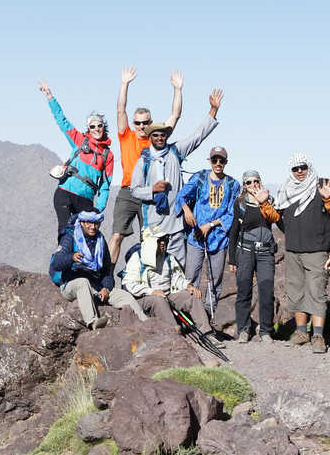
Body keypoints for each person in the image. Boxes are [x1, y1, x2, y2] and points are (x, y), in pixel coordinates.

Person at [127, 86, 221, 265]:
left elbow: (197, 137)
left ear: (166, 136)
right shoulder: (144, 161)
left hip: (176, 223)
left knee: (178, 266)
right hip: (153, 224)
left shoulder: (175, 152)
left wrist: (213, 110)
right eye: (156, 135)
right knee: (153, 266)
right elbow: (134, 190)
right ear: (150, 137)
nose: (160, 138)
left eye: (163, 134)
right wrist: (152, 190)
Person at [108, 67, 184, 268]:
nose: (141, 126)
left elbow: (174, 116)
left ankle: (149, 276)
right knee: (117, 235)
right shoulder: (126, 136)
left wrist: (178, 90)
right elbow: (120, 110)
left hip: (150, 195)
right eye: (138, 123)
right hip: (127, 191)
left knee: (150, 237)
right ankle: (104, 276)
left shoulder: (156, 139)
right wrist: (124, 84)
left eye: (145, 123)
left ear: (150, 123)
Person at [273, 154, 330, 351]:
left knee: (317, 292)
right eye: (295, 168)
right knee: (296, 292)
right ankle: (302, 332)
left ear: (309, 167)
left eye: (303, 167)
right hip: (293, 250)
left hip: (317, 250)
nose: (300, 171)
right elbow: (277, 216)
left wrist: (329, 199)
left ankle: (318, 336)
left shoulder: (322, 186)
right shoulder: (286, 189)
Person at [118, 215, 218, 345]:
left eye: (164, 239)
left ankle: (206, 333)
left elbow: (176, 278)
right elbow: (129, 284)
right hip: (144, 298)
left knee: (192, 295)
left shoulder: (168, 258)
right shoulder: (137, 258)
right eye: (160, 240)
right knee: (158, 300)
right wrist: (152, 291)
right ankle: (174, 335)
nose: (163, 243)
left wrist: (188, 286)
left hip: (167, 295)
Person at [39, 80, 115, 243]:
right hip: (65, 192)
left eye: (99, 126)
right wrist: (50, 97)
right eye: (92, 126)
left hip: (86, 201)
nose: (96, 129)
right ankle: (61, 264)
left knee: (87, 238)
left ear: (104, 127)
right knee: (66, 233)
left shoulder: (108, 155)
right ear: (88, 129)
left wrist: (98, 208)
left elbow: (105, 186)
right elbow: (62, 121)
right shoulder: (80, 140)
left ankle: (86, 267)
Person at [178, 148, 241, 332]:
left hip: (219, 238)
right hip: (196, 237)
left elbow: (232, 213)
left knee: (215, 281)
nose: (218, 163)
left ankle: (208, 319)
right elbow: (182, 195)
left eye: (221, 160)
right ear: (210, 160)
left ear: (226, 162)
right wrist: (187, 210)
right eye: (215, 159)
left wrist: (211, 225)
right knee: (191, 278)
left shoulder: (232, 184)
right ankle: (191, 320)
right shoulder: (199, 178)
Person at [49, 211, 139, 327]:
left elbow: (106, 270)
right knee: (83, 282)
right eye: (89, 223)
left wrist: (106, 287)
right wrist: (71, 257)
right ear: (81, 222)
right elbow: (56, 263)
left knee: (125, 296)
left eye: (96, 223)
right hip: (71, 283)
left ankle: (147, 324)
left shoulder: (100, 241)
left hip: (96, 286)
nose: (93, 227)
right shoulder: (70, 237)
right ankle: (92, 321)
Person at [230, 170, 281, 343]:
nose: (253, 185)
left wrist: (263, 201)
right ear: (244, 185)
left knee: (266, 291)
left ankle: (266, 331)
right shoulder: (240, 203)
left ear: (261, 181)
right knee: (244, 290)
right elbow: (234, 231)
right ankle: (243, 329)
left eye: (255, 181)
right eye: (248, 182)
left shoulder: (269, 200)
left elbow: (276, 220)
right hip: (245, 251)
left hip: (266, 252)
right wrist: (232, 259)